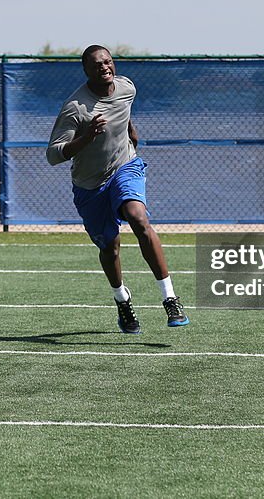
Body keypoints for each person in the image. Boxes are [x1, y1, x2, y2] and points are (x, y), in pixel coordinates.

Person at [46, 45, 189, 333]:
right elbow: (53, 154)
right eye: (97, 65)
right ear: (86, 71)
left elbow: (124, 113)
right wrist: (86, 138)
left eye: (108, 62)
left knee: (138, 218)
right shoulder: (76, 107)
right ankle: (122, 300)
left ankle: (170, 298)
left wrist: (130, 134)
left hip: (126, 166)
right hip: (90, 185)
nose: (104, 68)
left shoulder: (127, 87)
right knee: (110, 248)